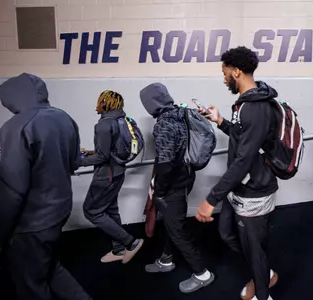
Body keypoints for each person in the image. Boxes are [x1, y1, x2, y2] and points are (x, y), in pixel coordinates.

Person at [195, 46, 279, 300]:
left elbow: (244, 159)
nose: (223, 78)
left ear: (236, 72)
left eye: (224, 73)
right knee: (227, 233)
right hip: (238, 187)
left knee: (254, 250)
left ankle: (262, 290)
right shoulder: (245, 104)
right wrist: (220, 121)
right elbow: (243, 138)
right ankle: (263, 270)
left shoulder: (256, 108)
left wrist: (211, 199)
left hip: (254, 190)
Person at [0, 73, 92, 300]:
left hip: (30, 221)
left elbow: (12, 189)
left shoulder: (16, 127)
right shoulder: (64, 118)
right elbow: (74, 163)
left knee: (30, 284)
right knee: (48, 267)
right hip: (58, 211)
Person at [140, 83, 215, 293]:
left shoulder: (164, 124)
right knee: (173, 223)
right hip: (186, 176)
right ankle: (166, 260)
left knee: (177, 229)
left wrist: (160, 192)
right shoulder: (181, 114)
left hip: (172, 183)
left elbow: (165, 163)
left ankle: (202, 273)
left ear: (151, 104)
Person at [80, 90, 143, 264]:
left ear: (105, 103)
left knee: (91, 211)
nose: (96, 105)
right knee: (110, 210)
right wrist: (91, 152)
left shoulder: (103, 125)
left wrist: (76, 161)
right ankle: (118, 250)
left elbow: (102, 157)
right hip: (118, 173)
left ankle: (131, 242)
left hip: (105, 176)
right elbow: (112, 150)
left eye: (99, 101)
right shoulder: (123, 120)